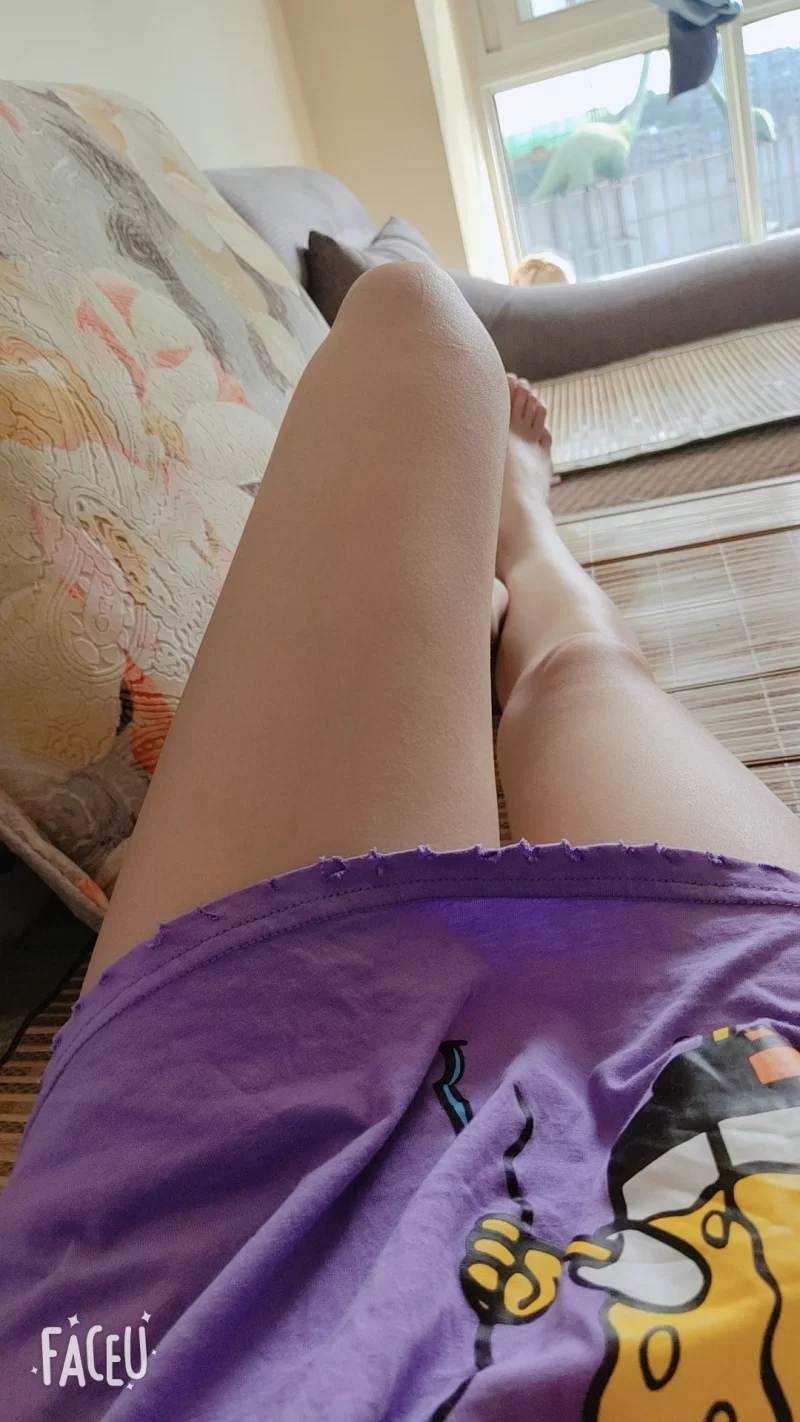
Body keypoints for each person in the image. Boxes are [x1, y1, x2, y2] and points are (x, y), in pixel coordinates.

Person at [2, 263, 800, 1422]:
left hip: (220, 1261)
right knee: (577, 660)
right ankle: (519, 533)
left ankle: (480, 604)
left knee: (410, 336)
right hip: (760, 1101)